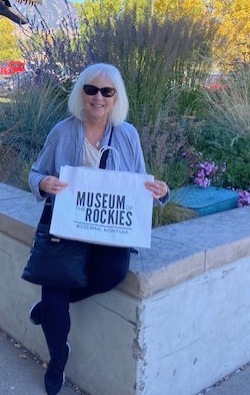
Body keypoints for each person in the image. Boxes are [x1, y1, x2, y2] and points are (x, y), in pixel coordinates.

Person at [27, 63, 169, 394]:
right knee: (55, 283)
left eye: (107, 91)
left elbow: (140, 183)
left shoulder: (127, 135)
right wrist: (44, 183)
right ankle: (58, 357)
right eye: (91, 89)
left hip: (108, 228)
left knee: (112, 272)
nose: (98, 97)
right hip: (66, 224)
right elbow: (35, 173)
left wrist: (159, 192)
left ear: (116, 98)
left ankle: (48, 310)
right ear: (82, 93)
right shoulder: (63, 131)